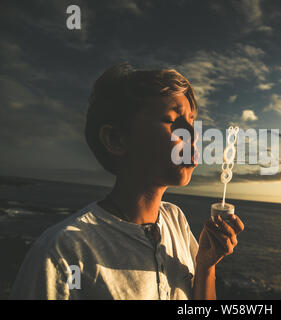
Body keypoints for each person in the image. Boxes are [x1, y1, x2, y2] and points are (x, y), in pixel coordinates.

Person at [9, 62, 244, 300]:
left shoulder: (176, 221)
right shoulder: (64, 250)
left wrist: (205, 265)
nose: (193, 135)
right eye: (173, 121)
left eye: (192, 122)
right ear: (116, 140)